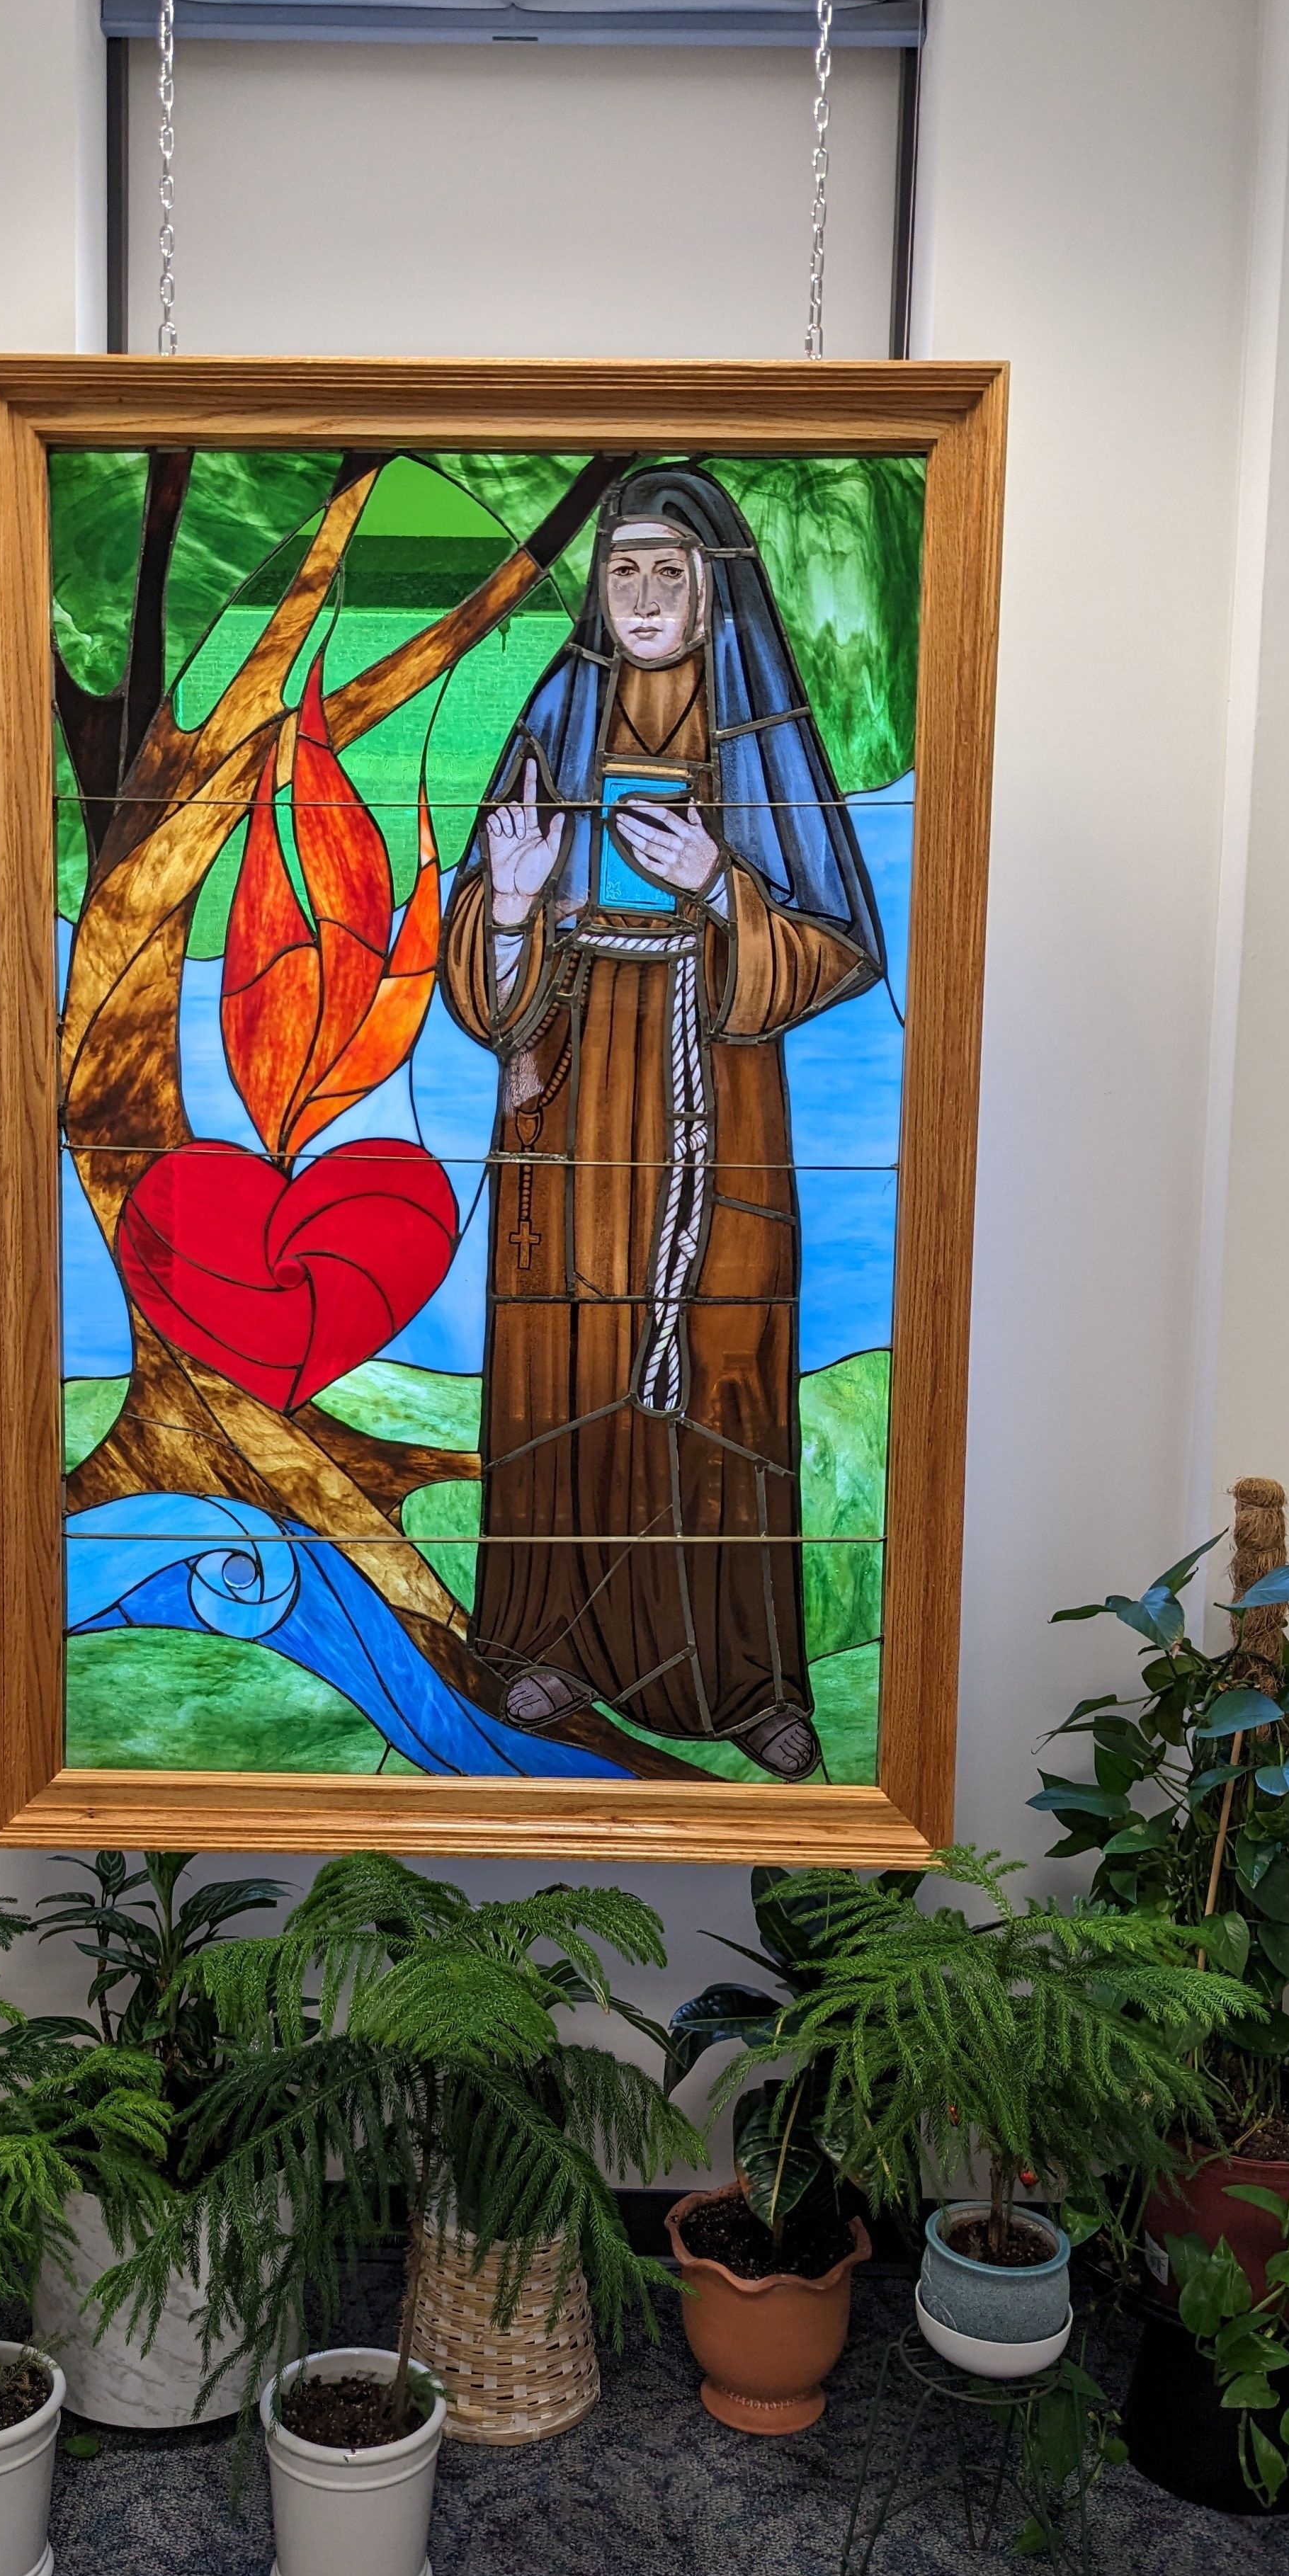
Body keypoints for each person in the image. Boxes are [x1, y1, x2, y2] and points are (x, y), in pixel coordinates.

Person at [438, 465, 885, 1777]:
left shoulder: (761, 733)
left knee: (722, 1366)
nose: (641, 596)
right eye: (623, 569)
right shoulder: (555, 717)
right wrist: (513, 905)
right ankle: (545, 1649)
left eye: (668, 572)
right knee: (563, 1371)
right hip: (572, 1092)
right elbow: (480, 951)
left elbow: (839, 944)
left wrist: (721, 884)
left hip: (720, 1096)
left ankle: (745, 1687)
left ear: (712, 591)